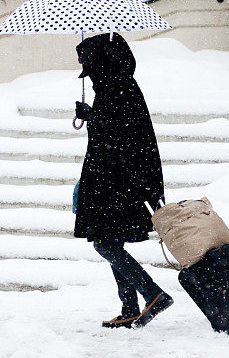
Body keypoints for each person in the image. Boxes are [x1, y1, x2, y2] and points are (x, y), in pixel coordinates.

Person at [73, 32, 173, 329]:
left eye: (91, 69)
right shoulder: (116, 86)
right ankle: (129, 307)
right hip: (115, 181)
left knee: (104, 243)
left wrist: (93, 117)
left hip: (116, 184)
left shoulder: (117, 89)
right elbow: (114, 134)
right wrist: (92, 118)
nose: (89, 77)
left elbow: (117, 140)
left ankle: (153, 294)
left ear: (103, 63)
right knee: (110, 240)